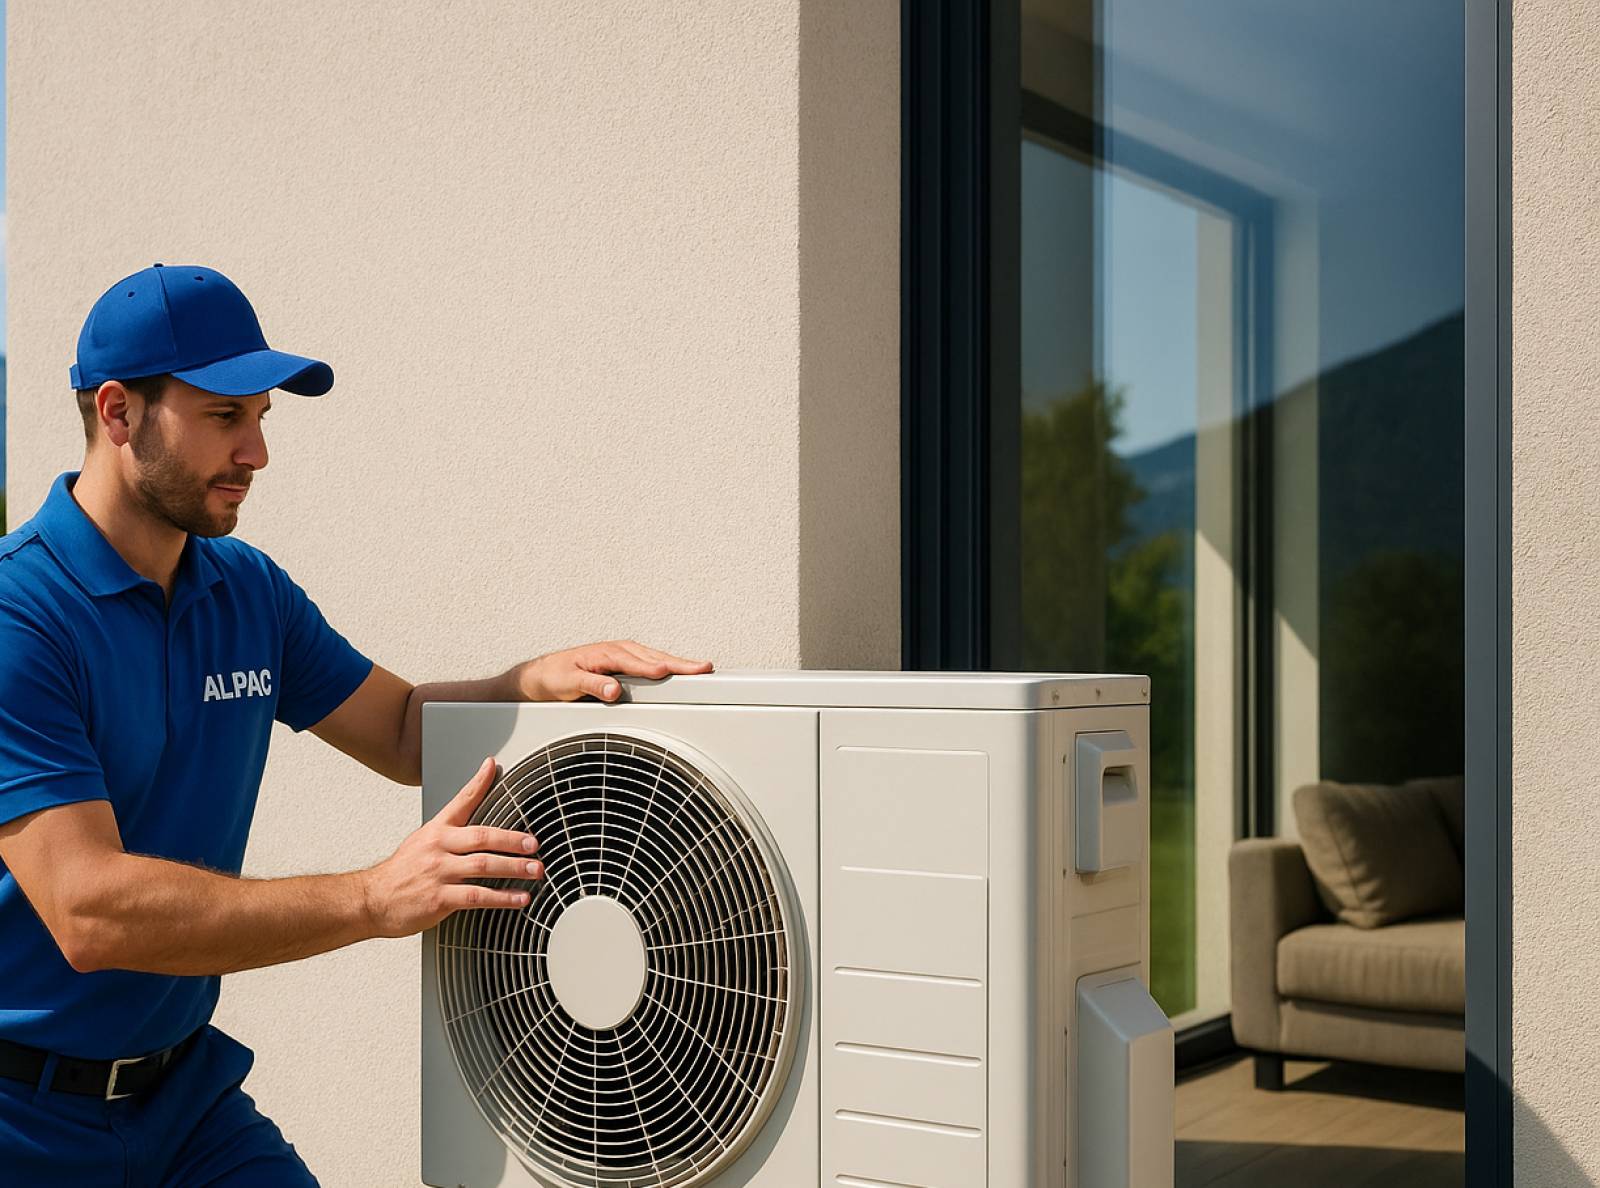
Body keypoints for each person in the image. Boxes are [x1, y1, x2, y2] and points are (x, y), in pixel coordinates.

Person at [0, 263, 713, 1185]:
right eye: (225, 417)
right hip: (25, 1124)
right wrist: (374, 899)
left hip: (185, 1101)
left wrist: (524, 682)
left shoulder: (245, 591)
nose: (256, 454)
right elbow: (89, 911)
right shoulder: (22, 619)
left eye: (262, 418)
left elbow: (405, 730)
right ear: (118, 412)